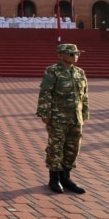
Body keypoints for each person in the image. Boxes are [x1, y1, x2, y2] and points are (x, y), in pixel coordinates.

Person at [36, 43, 88, 194]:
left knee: (73, 148)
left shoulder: (79, 72)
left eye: (77, 53)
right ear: (60, 55)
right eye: (71, 54)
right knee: (56, 148)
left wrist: (84, 113)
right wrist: (44, 114)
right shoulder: (53, 71)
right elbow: (45, 93)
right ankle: (54, 178)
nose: (75, 56)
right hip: (58, 117)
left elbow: (84, 95)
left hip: (75, 117)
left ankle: (66, 177)